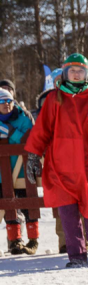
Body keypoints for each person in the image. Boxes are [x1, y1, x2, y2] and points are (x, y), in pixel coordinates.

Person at [24, 54, 88, 268]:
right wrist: (33, 155)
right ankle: (76, 256)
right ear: (65, 73)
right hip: (60, 166)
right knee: (68, 214)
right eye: (72, 70)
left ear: (87, 73)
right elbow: (41, 130)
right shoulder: (54, 98)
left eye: (80, 70)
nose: (76, 74)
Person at [0, 88, 39, 255]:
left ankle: (33, 240)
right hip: (2, 173)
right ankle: (15, 241)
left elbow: (30, 137)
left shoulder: (22, 117)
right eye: (2, 101)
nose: (6, 104)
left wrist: (10, 132)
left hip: (22, 169)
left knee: (28, 204)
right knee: (9, 205)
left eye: (9, 101)